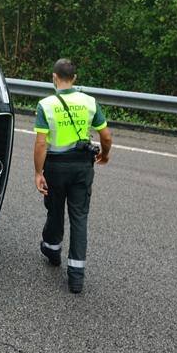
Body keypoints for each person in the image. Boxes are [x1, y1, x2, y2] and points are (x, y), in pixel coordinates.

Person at [33, 58, 112, 294]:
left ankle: (52, 250)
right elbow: (105, 136)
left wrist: (38, 172)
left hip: (56, 167)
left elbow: (40, 144)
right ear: (74, 79)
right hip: (81, 167)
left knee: (55, 209)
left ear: (54, 78)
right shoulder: (89, 102)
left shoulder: (45, 105)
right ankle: (76, 277)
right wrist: (105, 155)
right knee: (79, 217)